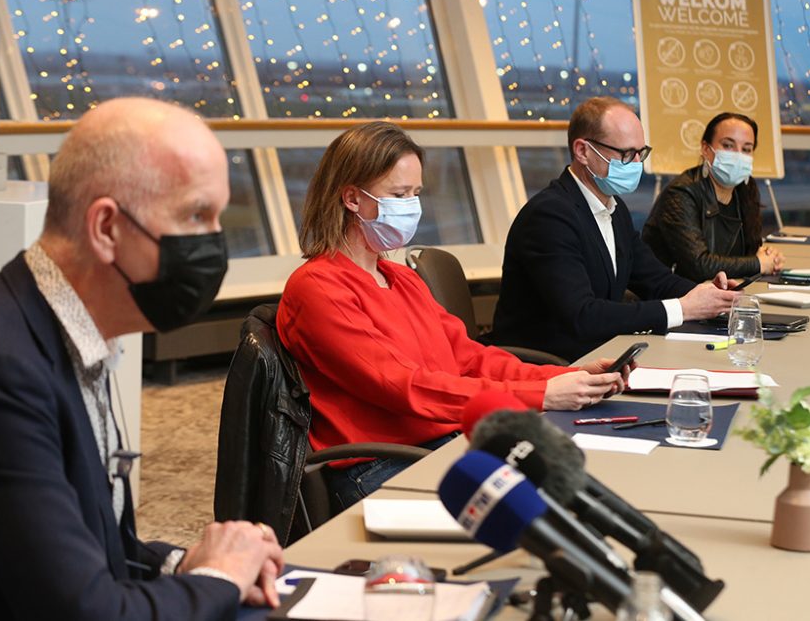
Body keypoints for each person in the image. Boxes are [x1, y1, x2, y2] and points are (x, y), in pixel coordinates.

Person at [0, 98, 283, 620]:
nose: (215, 243)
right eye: (196, 215)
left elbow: (90, 550)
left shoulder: (55, 330)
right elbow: (86, 612)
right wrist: (220, 578)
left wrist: (188, 564)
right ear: (105, 228)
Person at [276, 121, 628, 512]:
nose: (411, 205)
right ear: (352, 200)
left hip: (442, 443)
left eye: (415, 193)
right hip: (380, 465)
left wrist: (566, 377)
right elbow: (405, 387)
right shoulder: (318, 288)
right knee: (538, 509)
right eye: (398, 194)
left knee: (572, 486)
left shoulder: (400, 279)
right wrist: (540, 395)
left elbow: (470, 359)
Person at [490, 97, 740, 362]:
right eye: (626, 154)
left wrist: (708, 295)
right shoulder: (549, 216)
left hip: (597, 353)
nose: (635, 164)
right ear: (583, 151)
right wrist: (683, 308)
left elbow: (656, 280)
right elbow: (582, 315)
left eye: (640, 153)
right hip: (547, 363)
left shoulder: (613, 207)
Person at [642, 112, 784, 282]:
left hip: (720, 294)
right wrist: (757, 263)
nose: (738, 156)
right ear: (705, 149)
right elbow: (699, 265)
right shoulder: (681, 194)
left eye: (746, 149)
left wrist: (767, 257)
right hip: (672, 298)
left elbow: (746, 253)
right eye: (728, 145)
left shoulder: (745, 190)